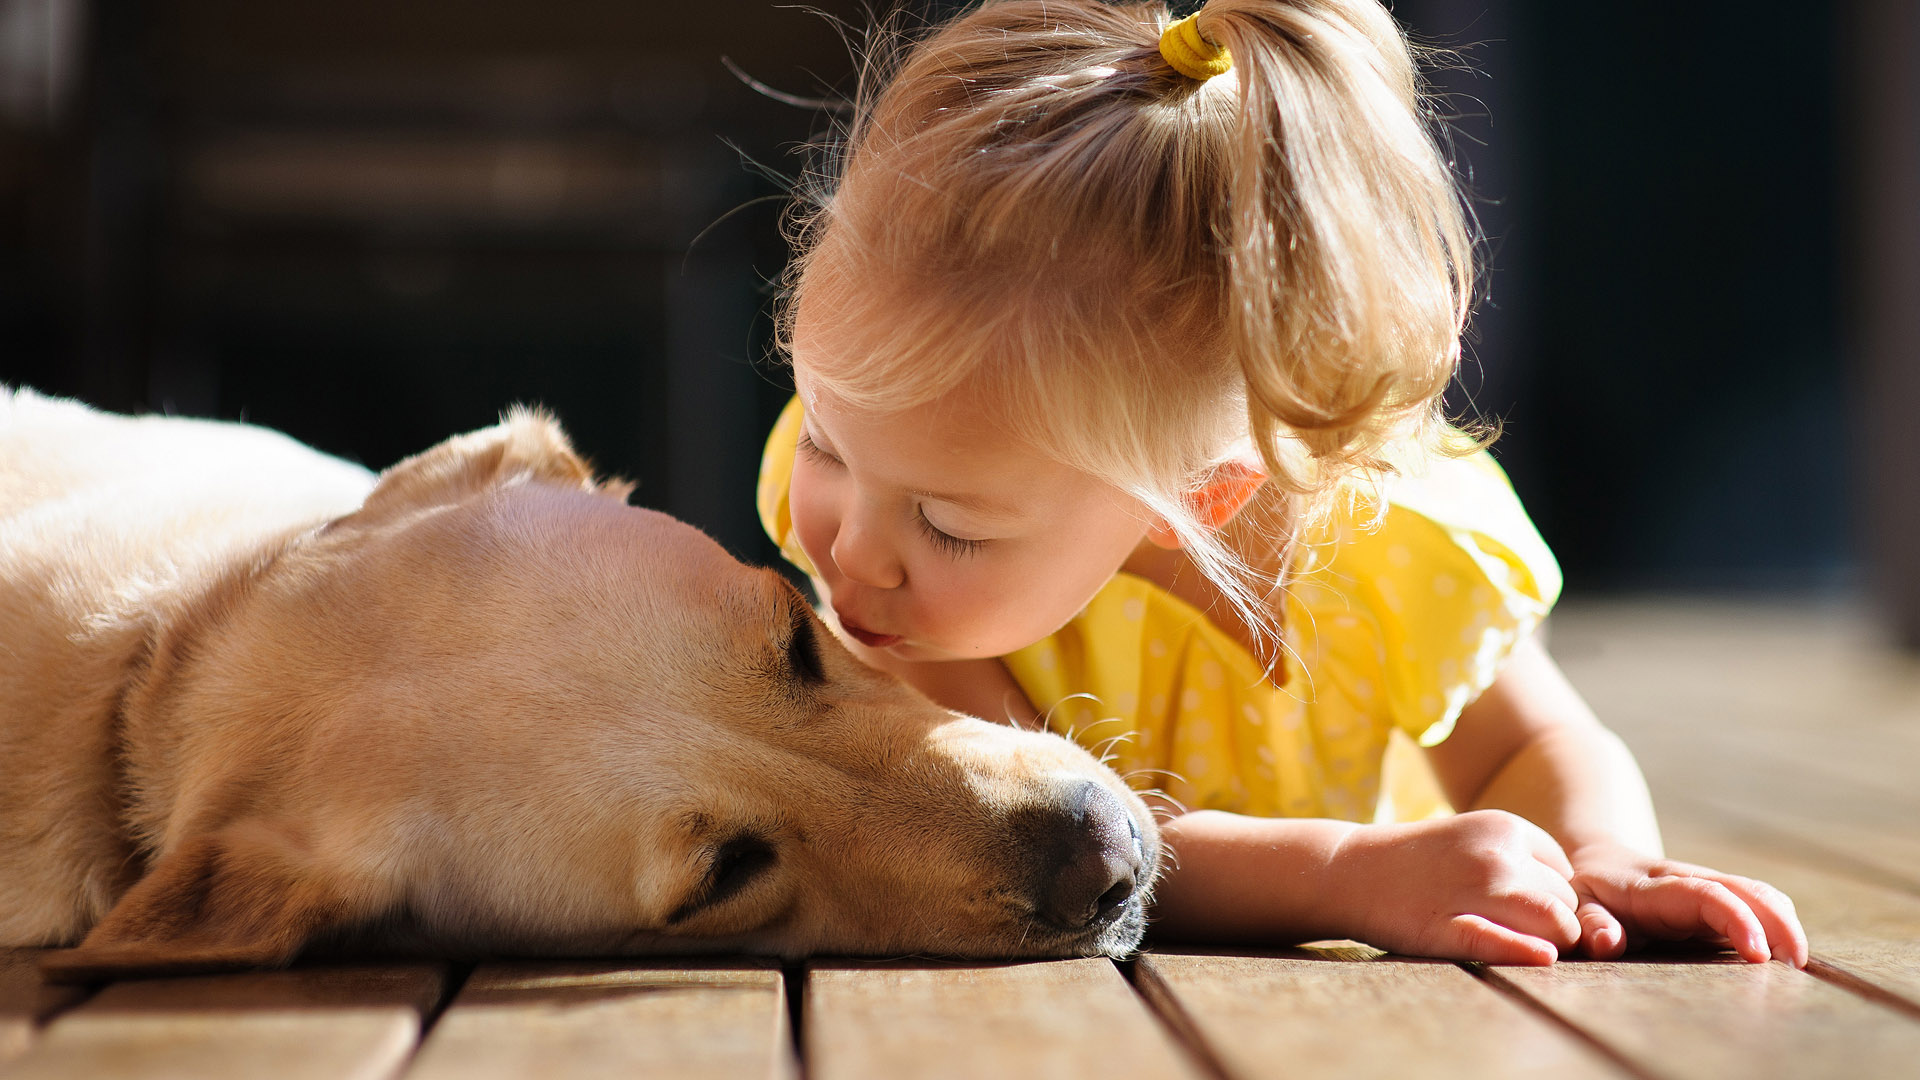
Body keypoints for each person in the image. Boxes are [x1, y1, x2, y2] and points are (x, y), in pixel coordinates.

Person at [754, 0, 1806, 966]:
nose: (849, 549)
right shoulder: (921, 616)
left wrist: (1597, 858)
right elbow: (1052, 844)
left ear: (1198, 494)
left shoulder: (1401, 544)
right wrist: (1345, 876)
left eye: (947, 524)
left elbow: (1536, 742)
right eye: (828, 448)